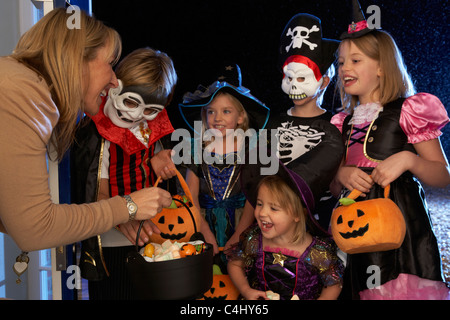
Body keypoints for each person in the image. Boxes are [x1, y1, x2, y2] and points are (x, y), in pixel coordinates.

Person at [0, 8, 172, 254]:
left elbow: (18, 220)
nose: (114, 80)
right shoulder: (24, 95)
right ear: (76, 59)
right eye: (110, 64)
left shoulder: (19, 85)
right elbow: (36, 230)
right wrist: (128, 206)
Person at [330, 0, 450, 300]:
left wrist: (409, 159)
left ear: (382, 67)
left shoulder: (410, 110)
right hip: (358, 228)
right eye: (341, 61)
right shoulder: (342, 123)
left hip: (404, 229)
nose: (345, 68)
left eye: (356, 60)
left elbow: (442, 175)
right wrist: (341, 174)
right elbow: (334, 190)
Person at [71, 47, 178, 299]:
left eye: (149, 110)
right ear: (115, 86)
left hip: (152, 236)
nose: (136, 114)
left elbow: (154, 178)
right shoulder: (97, 131)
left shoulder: (151, 126)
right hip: (113, 244)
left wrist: (156, 162)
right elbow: (96, 190)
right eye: (130, 102)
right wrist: (125, 215)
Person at [233, 13, 345, 237]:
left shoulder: (336, 125)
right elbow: (257, 183)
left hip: (317, 228)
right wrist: (240, 232)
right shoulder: (272, 123)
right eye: (288, 77)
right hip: (270, 227)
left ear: (323, 81)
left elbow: (337, 185)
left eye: (302, 78)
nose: (294, 85)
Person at [179, 64, 270, 270]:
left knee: (238, 278)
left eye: (226, 111)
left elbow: (253, 197)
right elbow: (190, 196)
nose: (217, 118)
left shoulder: (252, 148)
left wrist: (240, 234)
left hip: (242, 223)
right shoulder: (195, 149)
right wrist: (204, 231)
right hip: (201, 222)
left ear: (240, 117)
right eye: (211, 111)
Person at [227, 165, 344, 300]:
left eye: (274, 208)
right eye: (259, 204)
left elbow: (334, 284)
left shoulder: (318, 253)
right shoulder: (253, 240)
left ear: (297, 215)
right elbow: (235, 264)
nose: (262, 213)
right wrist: (246, 290)